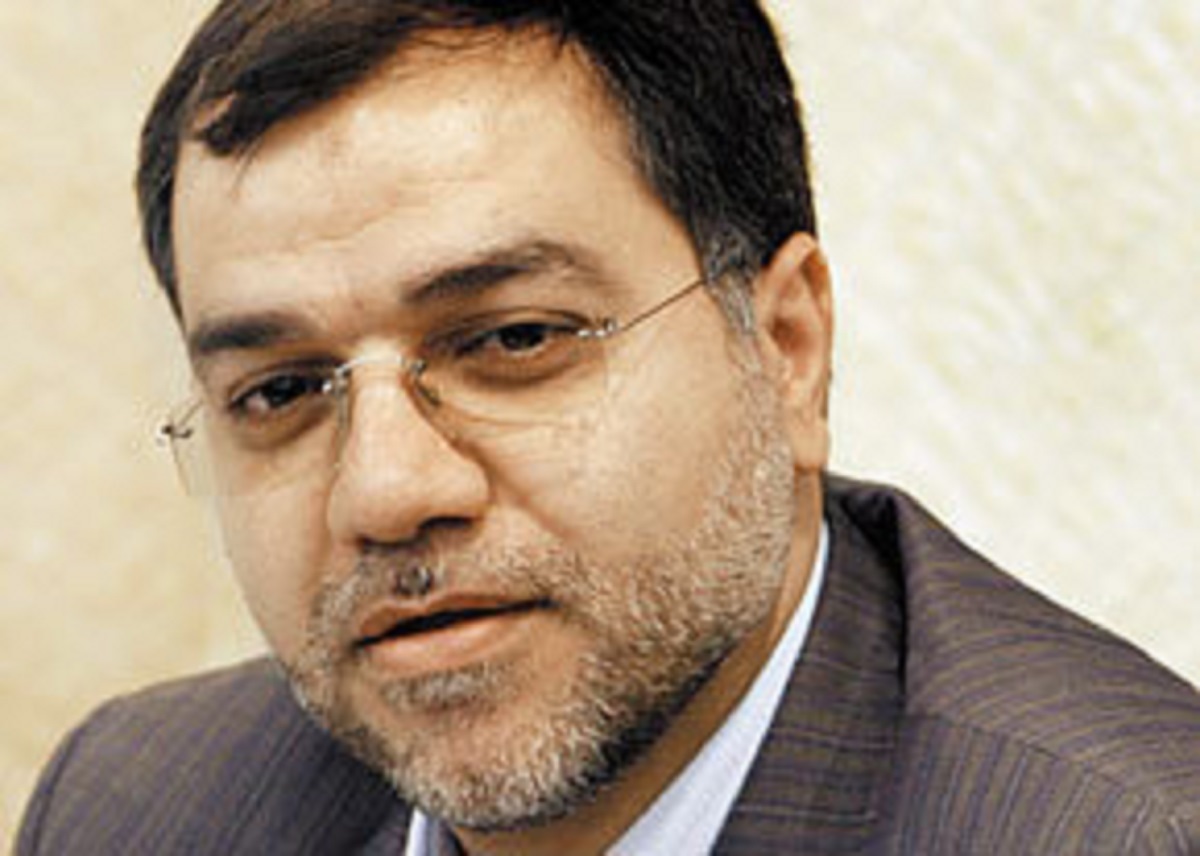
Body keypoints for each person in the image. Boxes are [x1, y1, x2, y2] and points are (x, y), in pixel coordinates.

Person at [17, 1, 1200, 853]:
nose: (385, 491)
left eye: (514, 339)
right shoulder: (137, 808)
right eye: (280, 392)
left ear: (787, 347)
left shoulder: (1119, 830)